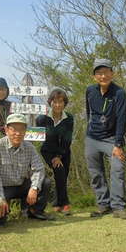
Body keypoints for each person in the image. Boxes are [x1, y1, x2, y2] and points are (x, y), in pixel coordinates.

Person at [85, 59, 126, 219]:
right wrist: (88, 132)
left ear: (112, 73)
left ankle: (118, 206)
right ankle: (103, 204)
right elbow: (88, 113)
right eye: (99, 73)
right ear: (94, 76)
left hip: (112, 139)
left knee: (117, 169)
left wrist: (118, 144)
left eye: (106, 72)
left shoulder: (119, 93)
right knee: (95, 173)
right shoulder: (90, 91)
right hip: (92, 138)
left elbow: (121, 119)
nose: (103, 75)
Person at [0, 113, 53, 225]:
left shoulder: (29, 147)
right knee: (1, 221)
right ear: (6, 130)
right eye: (14, 129)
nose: (18, 133)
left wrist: (34, 188)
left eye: (22, 129)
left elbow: (39, 168)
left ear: (26, 131)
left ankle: (34, 211)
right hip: (4, 188)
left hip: (22, 184)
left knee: (45, 182)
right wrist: (0, 199)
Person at [36, 87, 74, 215]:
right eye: (54, 101)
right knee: (59, 170)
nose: (57, 104)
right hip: (48, 151)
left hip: (64, 151)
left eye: (60, 102)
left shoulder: (69, 118)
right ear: (50, 102)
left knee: (63, 176)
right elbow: (39, 136)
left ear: (64, 103)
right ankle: (65, 204)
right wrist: (54, 156)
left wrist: (60, 155)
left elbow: (67, 139)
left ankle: (57, 203)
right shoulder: (42, 118)